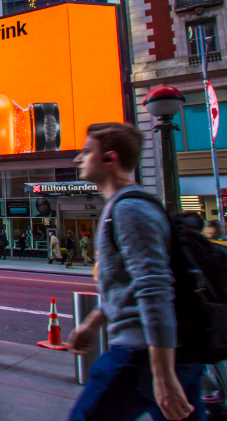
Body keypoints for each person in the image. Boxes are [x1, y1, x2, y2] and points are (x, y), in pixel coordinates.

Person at [68, 122, 204, 421]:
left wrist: (163, 375)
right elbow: (130, 284)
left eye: (86, 151)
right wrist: (94, 321)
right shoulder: (129, 206)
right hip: (167, 352)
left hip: (139, 355)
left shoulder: (129, 210)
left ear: (110, 158)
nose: (78, 159)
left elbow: (154, 287)